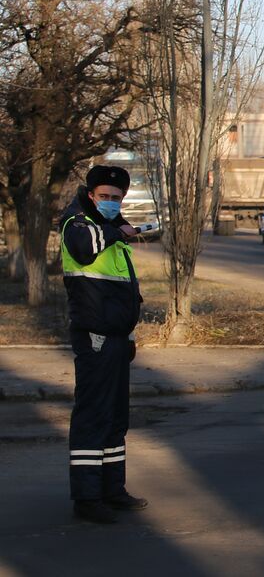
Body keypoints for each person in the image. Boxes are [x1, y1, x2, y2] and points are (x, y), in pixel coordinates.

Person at [60, 164, 148, 524]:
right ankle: (87, 498)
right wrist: (115, 230)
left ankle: (113, 490)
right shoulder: (78, 223)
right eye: (105, 197)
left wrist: (127, 336)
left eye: (117, 198)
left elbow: (122, 294)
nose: (111, 202)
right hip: (94, 338)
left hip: (114, 339)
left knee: (114, 419)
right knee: (92, 418)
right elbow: (84, 250)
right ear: (92, 194)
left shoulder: (109, 230)